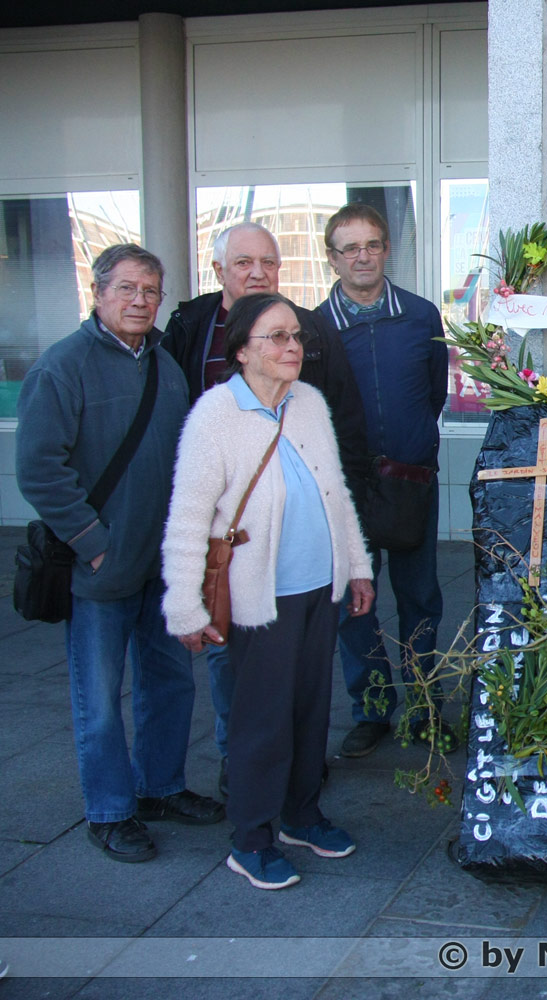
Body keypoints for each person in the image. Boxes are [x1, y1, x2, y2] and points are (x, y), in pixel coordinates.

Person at [17, 243, 224, 864]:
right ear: (98, 293)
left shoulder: (165, 364)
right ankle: (109, 811)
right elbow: (39, 469)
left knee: (170, 682)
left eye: (151, 290)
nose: (140, 300)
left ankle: (160, 787)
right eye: (127, 288)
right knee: (100, 698)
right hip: (101, 568)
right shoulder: (62, 366)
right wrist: (94, 545)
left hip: (165, 563)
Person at [162, 292, 374, 890]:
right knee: (262, 720)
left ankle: (301, 816)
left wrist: (357, 566)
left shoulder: (308, 402)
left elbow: (336, 493)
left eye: (296, 337)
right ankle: (251, 838)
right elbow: (187, 518)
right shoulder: (215, 415)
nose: (292, 347)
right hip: (260, 597)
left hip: (318, 587)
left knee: (310, 710)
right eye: (276, 336)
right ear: (241, 350)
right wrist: (184, 606)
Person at [314, 204, 449, 758]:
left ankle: (423, 705)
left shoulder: (420, 315)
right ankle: (371, 708)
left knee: (420, 596)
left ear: (387, 249)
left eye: (372, 245)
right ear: (333, 258)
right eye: (350, 248)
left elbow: (433, 393)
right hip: (346, 487)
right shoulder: (315, 327)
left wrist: (411, 446)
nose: (362, 256)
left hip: (411, 479)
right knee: (354, 601)